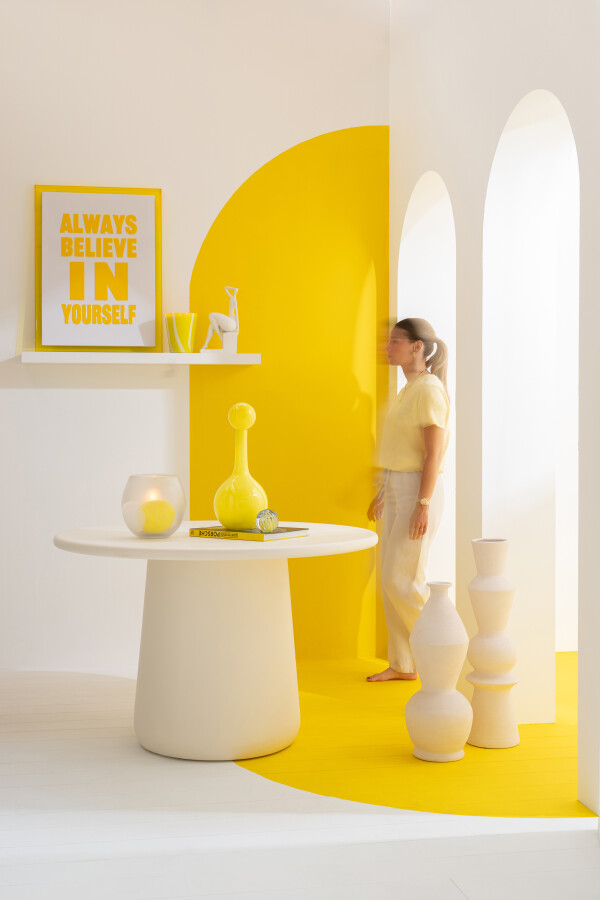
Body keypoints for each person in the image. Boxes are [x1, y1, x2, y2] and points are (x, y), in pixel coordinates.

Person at [366, 318, 449, 682]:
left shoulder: (429, 390)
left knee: (404, 581)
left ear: (418, 347)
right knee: (390, 581)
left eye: (396, 341)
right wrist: (385, 491)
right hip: (399, 488)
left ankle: (445, 653)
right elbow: (403, 449)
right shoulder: (408, 390)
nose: (388, 347)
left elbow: (433, 454)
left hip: (419, 490)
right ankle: (404, 664)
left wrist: (422, 504)